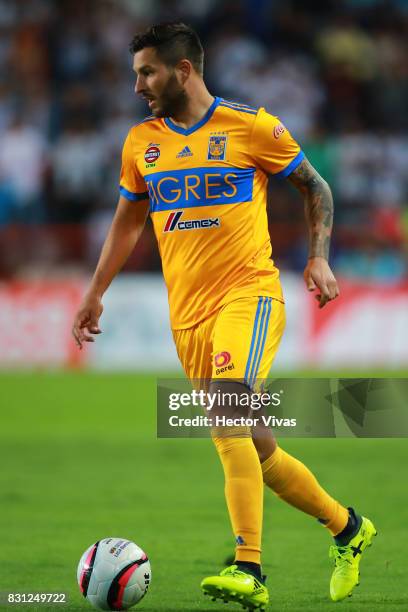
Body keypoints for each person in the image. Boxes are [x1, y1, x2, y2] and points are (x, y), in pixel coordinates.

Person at [72, 21, 376, 611]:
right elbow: (128, 220)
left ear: (183, 70)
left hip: (251, 294)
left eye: (147, 72)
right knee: (253, 446)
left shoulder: (250, 125)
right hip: (188, 315)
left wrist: (317, 258)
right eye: (137, 73)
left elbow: (317, 187)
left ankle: (249, 569)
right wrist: (95, 291)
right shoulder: (142, 143)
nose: (138, 85)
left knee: (230, 407)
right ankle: (347, 527)